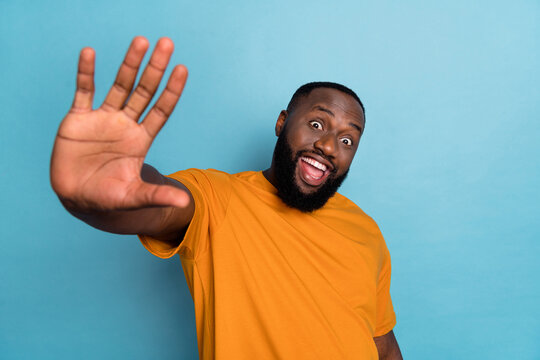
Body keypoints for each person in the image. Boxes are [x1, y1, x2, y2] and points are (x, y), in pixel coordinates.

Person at [50, 36, 403, 360]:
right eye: (316, 124)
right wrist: (98, 187)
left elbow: (383, 347)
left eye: (347, 141)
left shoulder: (366, 231)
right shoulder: (219, 198)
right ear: (282, 122)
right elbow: (158, 208)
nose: (328, 146)